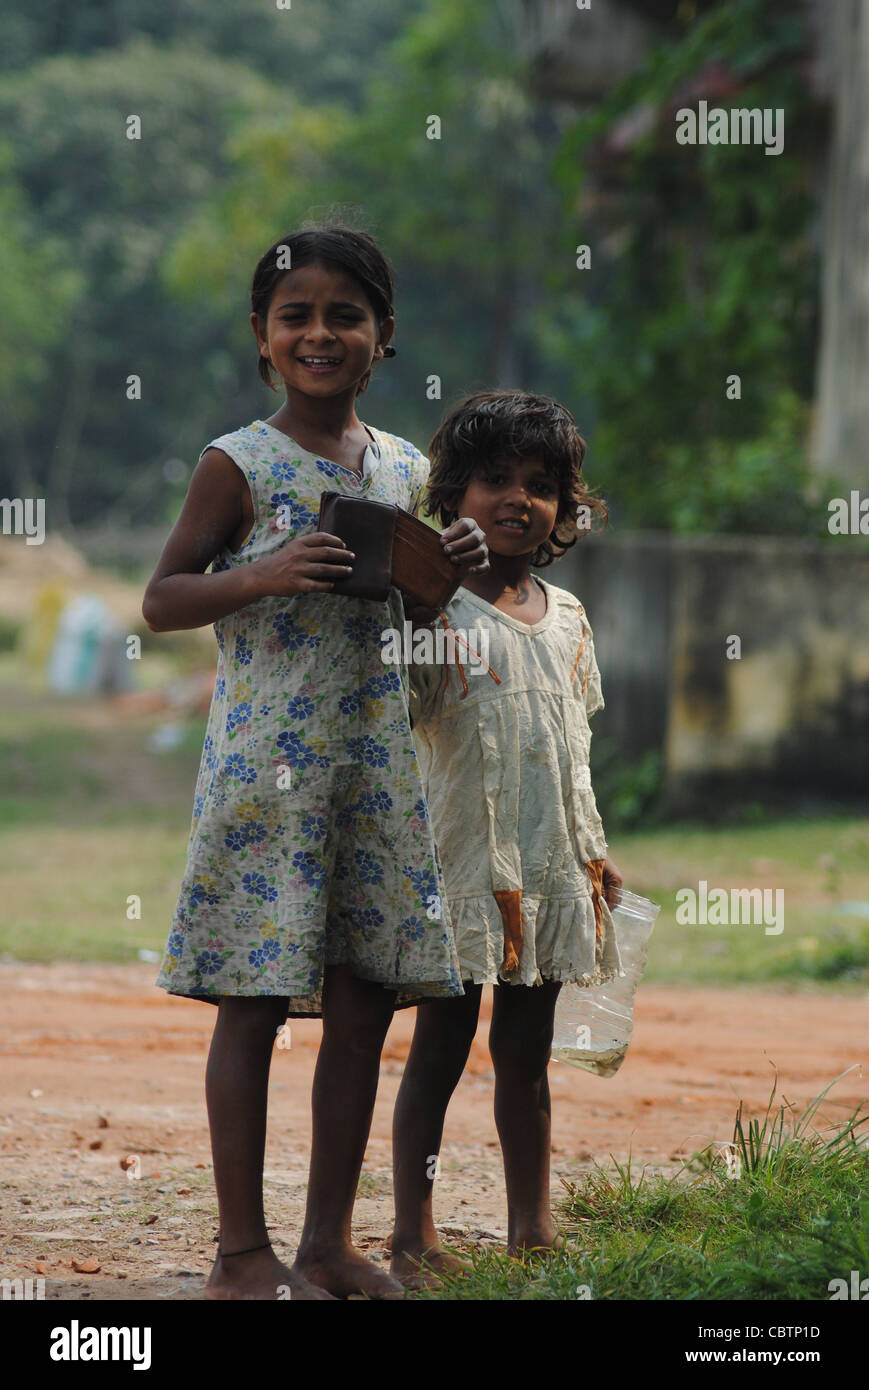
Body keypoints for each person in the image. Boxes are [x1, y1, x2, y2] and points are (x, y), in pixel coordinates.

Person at [142, 224, 487, 1300]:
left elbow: (421, 607)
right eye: (297, 315)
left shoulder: (405, 468)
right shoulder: (235, 463)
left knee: (365, 1000)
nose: (321, 332)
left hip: (378, 775)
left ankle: (328, 1243)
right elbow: (162, 600)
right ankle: (241, 1251)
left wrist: (451, 562)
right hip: (267, 775)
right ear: (262, 337)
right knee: (252, 1000)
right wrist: (267, 572)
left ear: (385, 338)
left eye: (347, 314)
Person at [389, 390, 624, 1286]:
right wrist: (416, 604)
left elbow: (573, 748)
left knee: (526, 1057)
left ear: (567, 507)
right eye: (493, 480)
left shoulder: (567, 616)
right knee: (439, 1054)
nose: (516, 500)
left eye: (539, 485)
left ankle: (534, 1226)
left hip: (553, 866)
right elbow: (402, 706)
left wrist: (595, 858)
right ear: (451, 496)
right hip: (462, 869)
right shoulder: (431, 609)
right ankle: (413, 1234)